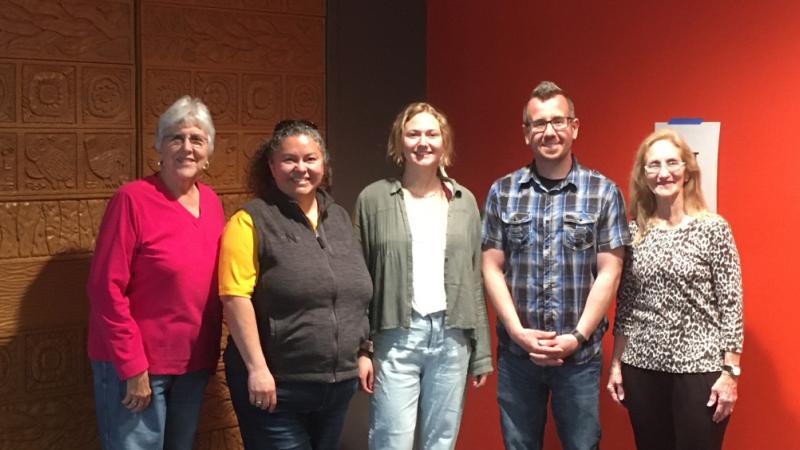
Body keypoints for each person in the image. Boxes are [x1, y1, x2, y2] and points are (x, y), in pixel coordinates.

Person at [481, 81, 630, 450]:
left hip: (579, 358)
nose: (549, 131)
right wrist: (518, 333)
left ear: (574, 127)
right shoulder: (503, 191)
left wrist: (576, 337)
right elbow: (490, 267)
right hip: (518, 358)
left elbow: (610, 272)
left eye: (558, 121)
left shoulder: (603, 192)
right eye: (539, 123)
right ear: (526, 133)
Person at [219, 120, 373, 450]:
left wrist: (362, 350)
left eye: (310, 159)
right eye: (289, 159)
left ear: (324, 165)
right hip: (276, 387)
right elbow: (235, 298)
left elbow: (354, 290)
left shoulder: (340, 218)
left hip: (335, 386)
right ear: (272, 166)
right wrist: (257, 369)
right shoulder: (250, 220)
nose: (300, 168)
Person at [87, 96, 224, 449]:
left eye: (197, 139)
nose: (187, 148)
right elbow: (105, 288)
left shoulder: (211, 202)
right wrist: (132, 366)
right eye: (176, 137)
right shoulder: (132, 199)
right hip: (137, 365)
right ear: (159, 146)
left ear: (208, 152)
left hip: (192, 362)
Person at [354, 102, 492, 450]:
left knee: (441, 442)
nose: (423, 142)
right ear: (399, 143)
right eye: (413, 134)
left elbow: (474, 279)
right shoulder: (373, 199)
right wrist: (362, 349)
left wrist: (482, 352)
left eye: (432, 134)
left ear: (444, 142)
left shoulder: (464, 201)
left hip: (452, 338)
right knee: (390, 440)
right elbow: (358, 279)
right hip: (396, 337)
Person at [607, 128, 743, 450]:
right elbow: (625, 304)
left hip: (700, 370)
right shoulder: (634, 233)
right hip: (641, 368)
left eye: (672, 163)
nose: (663, 172)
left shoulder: (713, 228)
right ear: (643, 174)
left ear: (687, 170)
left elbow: (731, 305)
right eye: (653, 165)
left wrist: (730, 374)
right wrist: (616, 364)